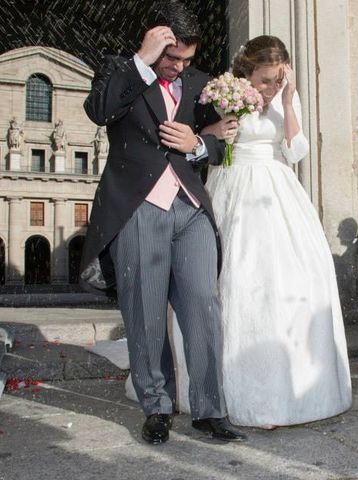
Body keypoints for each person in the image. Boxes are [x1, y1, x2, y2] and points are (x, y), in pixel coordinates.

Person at [79, 0, 245, 444]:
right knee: (144, 311)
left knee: (203, 306)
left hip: (190, 208)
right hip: (137, 207)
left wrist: (197, 144)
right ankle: (157, 406)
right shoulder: (119, 70)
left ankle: (210, 409)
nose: (179, 67)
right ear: (155, 38)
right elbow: (99, 110)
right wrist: (143, 62)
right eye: (173, 57)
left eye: (187, 60)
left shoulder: (201, 84)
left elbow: (226, 142)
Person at [195, 35, 352, 428]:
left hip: (277, 189)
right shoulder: (225, 92)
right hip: (233, 183)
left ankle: (288, 388)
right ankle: (231, 389)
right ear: (245, 72)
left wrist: (286, 100)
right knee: (238, 280)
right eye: (265, 80)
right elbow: (212, 143)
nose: (269, 87)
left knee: (288, 281)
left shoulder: (285, 97)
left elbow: (296, 151)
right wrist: (223, 124)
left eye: (277, 80)